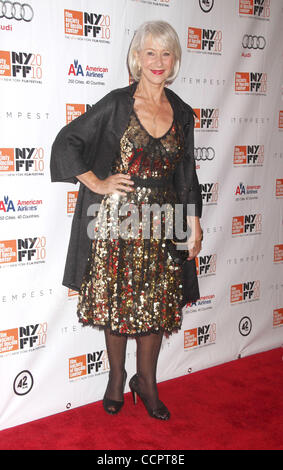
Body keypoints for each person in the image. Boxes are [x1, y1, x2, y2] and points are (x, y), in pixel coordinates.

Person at [50, 20, 202, 420]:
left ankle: (146, 382)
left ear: (174, 61)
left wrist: (195, 222)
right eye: (149, 52)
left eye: (165, 53)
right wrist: (97, 183)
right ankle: (116, 379)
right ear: (137, 58)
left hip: (164, 222)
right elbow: (68, 140)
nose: (157, 61)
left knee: (155, 305)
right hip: (119, 221)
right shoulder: (117, 104)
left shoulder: (183, 112)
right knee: (118, 304)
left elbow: (187, 173)